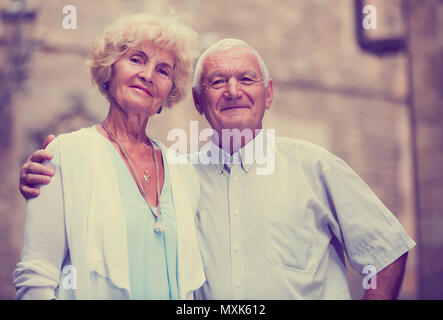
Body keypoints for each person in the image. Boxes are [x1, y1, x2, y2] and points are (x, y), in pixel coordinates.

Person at [19, 38, 416, 300]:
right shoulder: (178, 177)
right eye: (217, 81)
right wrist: (52, 176)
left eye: (247, 79)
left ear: (269, 94)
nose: (232, 91)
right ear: (197, 100)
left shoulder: (313, 165)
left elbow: (385, 251)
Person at [13, 13, 205, 300]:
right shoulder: (65, 154)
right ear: (109, 70)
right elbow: (36, 279)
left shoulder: (183, 172)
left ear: (169, 92)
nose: (148, 75)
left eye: (163, 70)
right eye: (137, 59)